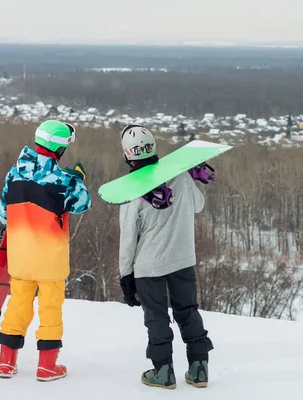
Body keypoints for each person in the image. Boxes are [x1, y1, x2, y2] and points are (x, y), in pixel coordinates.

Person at [118, 124, 214, 390]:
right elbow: (198, 205)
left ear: (128, 154)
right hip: (182, 258)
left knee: (157, 317)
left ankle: (163, 372)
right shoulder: (180, 175)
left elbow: (128, 238)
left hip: (149, 266)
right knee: (188, 311)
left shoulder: (130, 190)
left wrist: (126, 276)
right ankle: (199, 368)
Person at [0, 120, 92, 382]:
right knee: (50, 309)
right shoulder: (63, 180)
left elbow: (4, 216)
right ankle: (47, 366)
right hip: (50, 258)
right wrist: (78, 179)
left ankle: (6, 362)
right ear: (60, 149)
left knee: (17, 305)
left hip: (20, 255)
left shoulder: (13, 173)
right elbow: (84, 203)